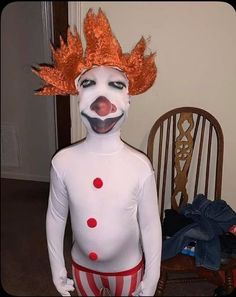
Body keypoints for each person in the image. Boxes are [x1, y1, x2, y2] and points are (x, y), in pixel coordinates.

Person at [33, 8, 162, 296]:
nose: (102, 103)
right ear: (78, 97)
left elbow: (151, 225)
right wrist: (57, 268)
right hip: (82, 269)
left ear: (128, 100)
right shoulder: (63, 162)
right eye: (88, 85)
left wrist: (151, 278)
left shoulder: (140, 166)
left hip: (127, 270)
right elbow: (55, 217)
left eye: (116, 86)